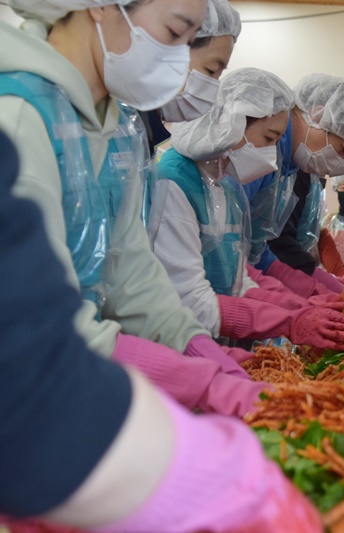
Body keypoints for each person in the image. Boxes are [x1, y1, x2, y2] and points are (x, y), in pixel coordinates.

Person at [0, 126, 321, 532]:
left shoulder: (120, 130)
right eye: (209, 70)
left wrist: (201, 355)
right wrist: (184, 467)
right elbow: (31, 367)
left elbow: (135, 278)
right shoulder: (26, 116)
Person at [0, 0, 271, 420]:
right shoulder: (18, 117)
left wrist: (192, 343)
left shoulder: (117, 129)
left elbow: (130, 268)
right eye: (173, 34)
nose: (180, 62)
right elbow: (30, 318)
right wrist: (192, 377)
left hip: (76, 377)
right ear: (102, 7)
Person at [151, 67, 344, 350]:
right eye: (269, 139)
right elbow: (189, 300)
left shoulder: (226, 185)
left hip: (216, 339)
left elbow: (240, 277)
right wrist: (288, 320)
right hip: (179, 344)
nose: (271, 156)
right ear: (232, 123)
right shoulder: (174, 181)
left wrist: (300, 305)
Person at [244, 74, 344, 299]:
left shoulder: (289, 167)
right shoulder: (263, 157)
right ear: (318, 114)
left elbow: (257, 249)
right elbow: (228, 253)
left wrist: (320, 284)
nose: (343, 164)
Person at [143, 0, 241, 155]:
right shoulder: (123, 122)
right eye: (211, 70)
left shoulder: (144, 128)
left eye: (219, 74)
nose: (213, 87)